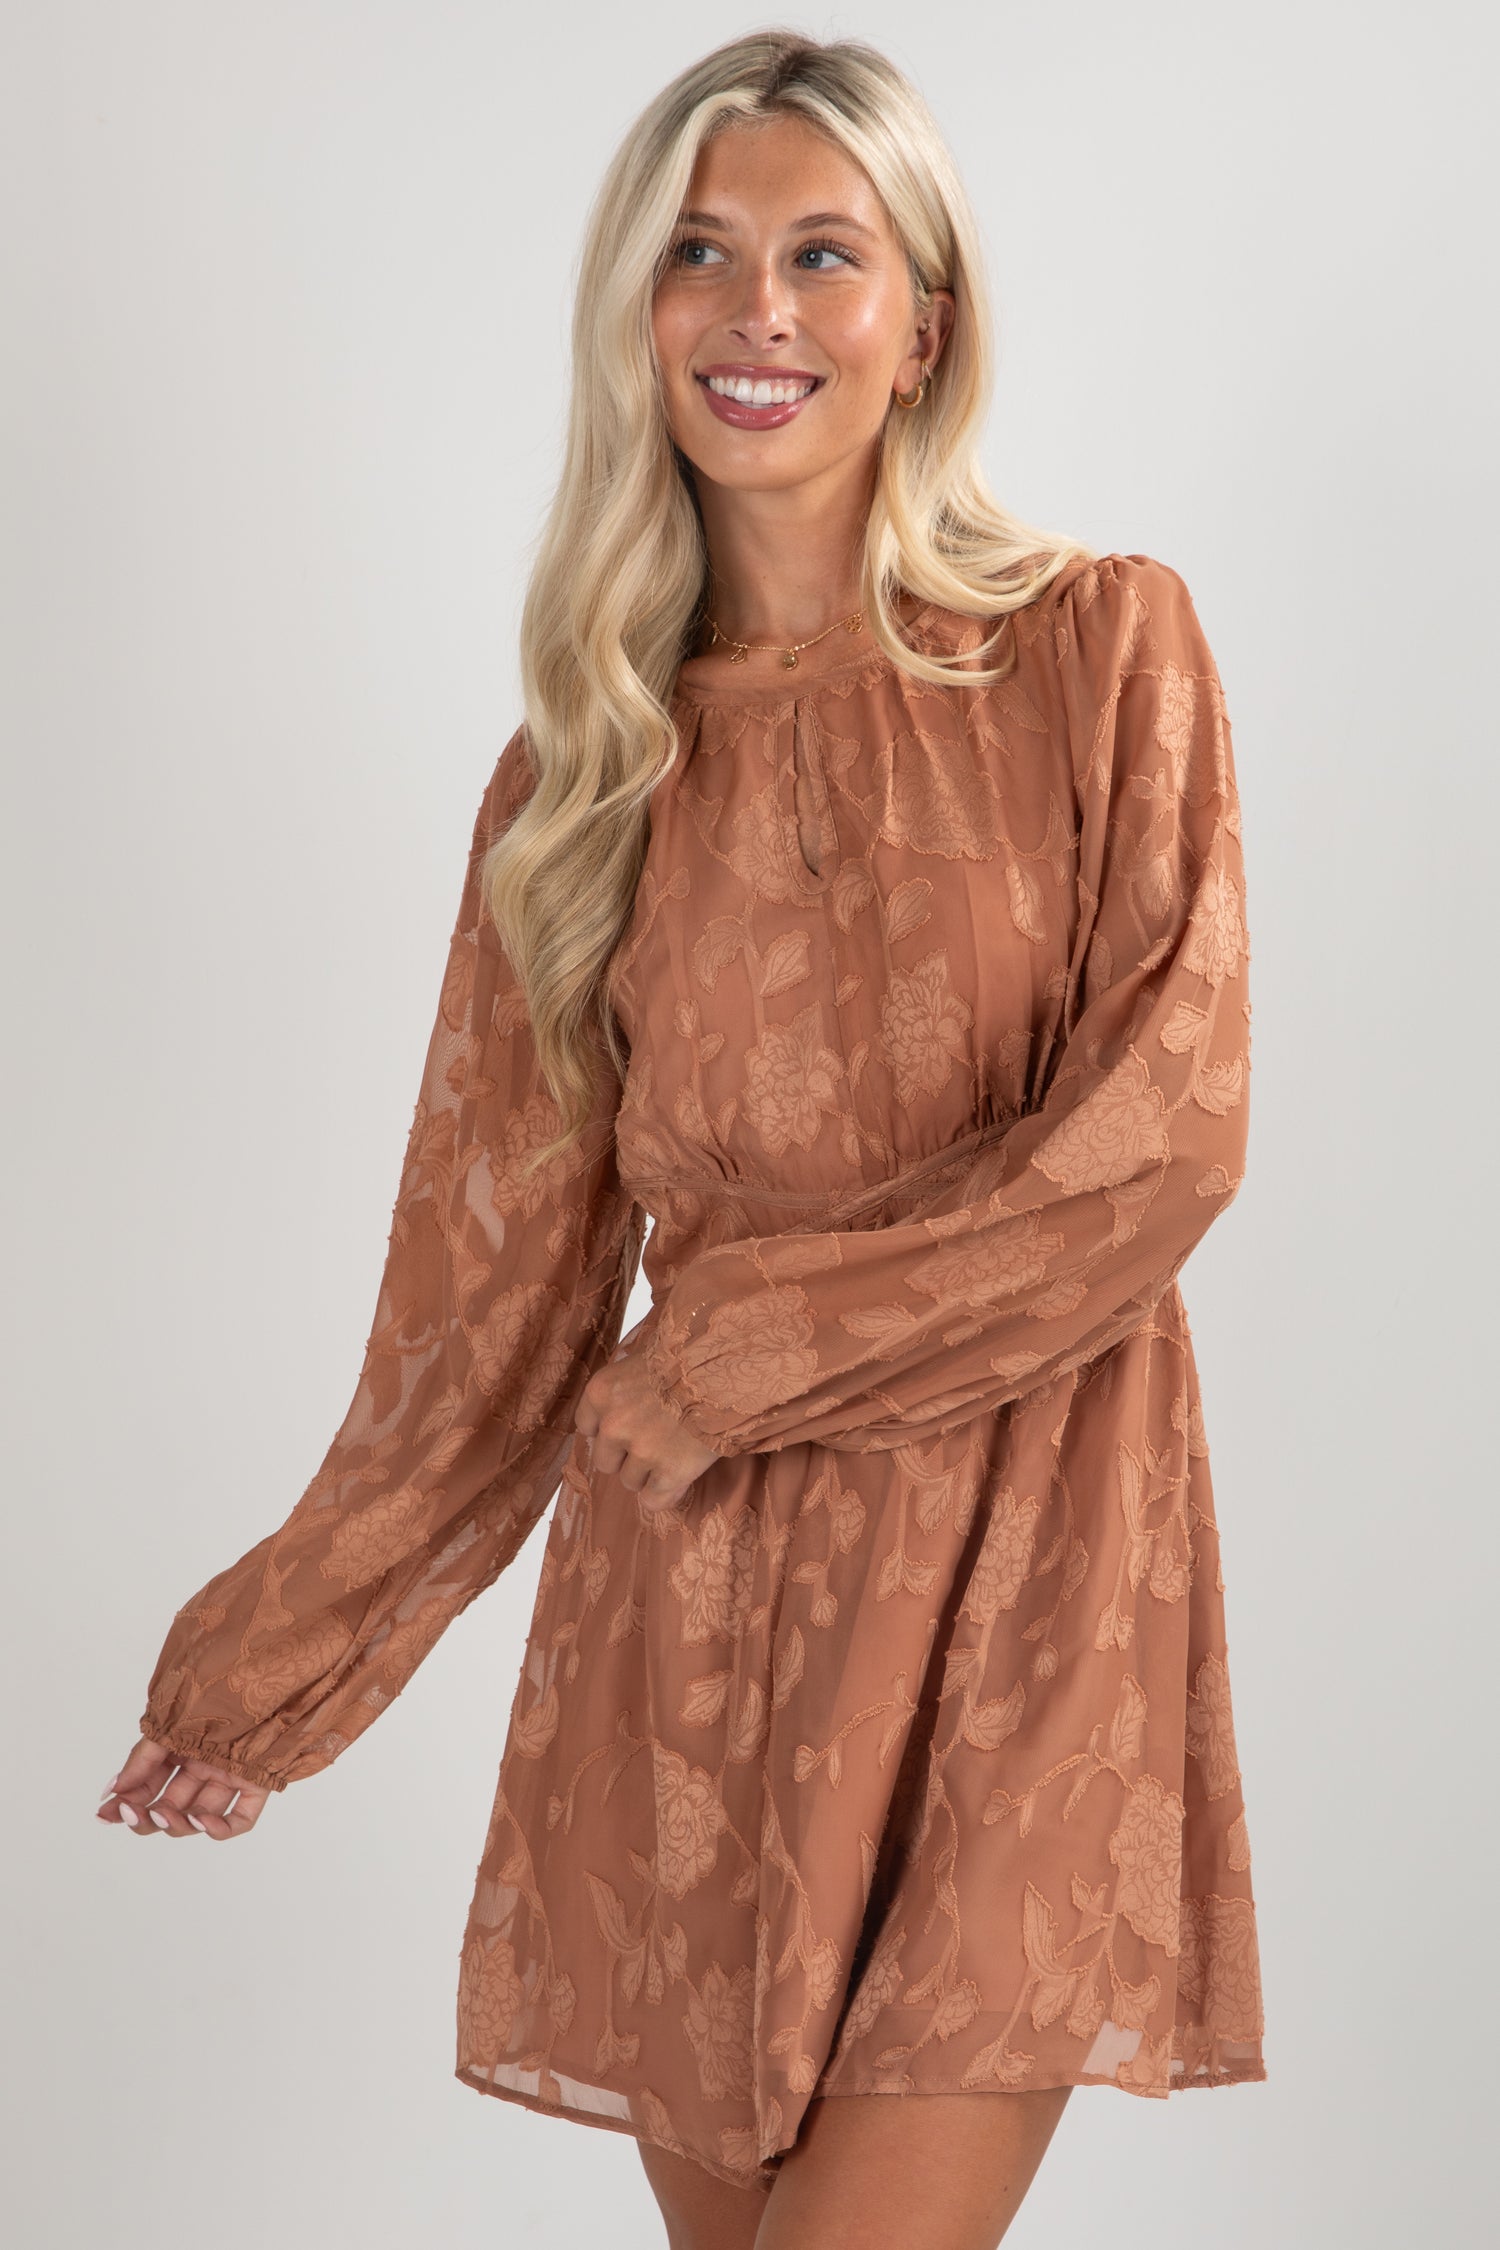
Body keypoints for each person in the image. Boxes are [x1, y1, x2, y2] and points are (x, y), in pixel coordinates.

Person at [97, 28, 1265, 2249]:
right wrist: (271, 1662)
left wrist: (733, 1354)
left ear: (924, 316)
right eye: (699, 253)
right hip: (705, 1623)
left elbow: (1170, 1130)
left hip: (1028, 1585)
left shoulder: (1106, 652)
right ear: (635, 313)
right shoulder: (580, 785)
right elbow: (492, 1300)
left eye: (825, 253)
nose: (758, 309)